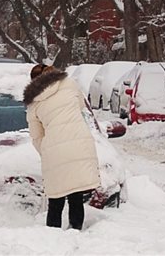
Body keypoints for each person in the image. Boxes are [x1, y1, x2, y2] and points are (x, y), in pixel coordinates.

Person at [23, 64, 101, 230]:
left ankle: (54, 237)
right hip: (80, 143)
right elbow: (80, 106)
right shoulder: (70, 84)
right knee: (76, 195)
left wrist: (46, 151)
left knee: (56, 199)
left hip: (54, 150)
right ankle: (75, 230)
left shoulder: (34, 103)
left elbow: (37, 137)